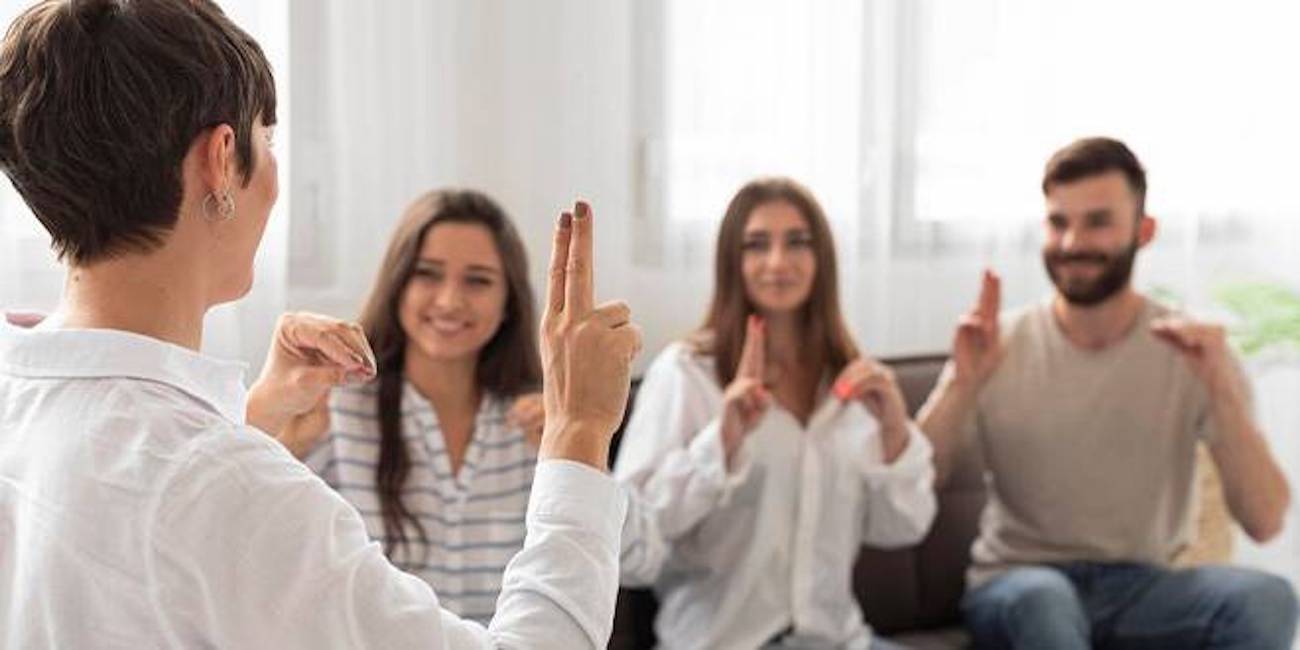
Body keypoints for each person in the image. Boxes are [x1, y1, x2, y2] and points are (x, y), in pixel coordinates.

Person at [0, 1, 641, 648]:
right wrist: (580, 430)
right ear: (221, 160)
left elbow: (135, 524)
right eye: (267, 139)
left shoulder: (19, 397)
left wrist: (254, 418)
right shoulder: (228, 487)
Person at [918, 137, 1299, 649]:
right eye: (1058, 223)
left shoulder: (1189, 351)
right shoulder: (997, 345)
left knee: (1266, 598)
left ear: (1144, 231)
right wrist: (961, 383)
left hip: (1145, 588)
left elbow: (1265, 520)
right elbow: (912, 485)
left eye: (1098, 222)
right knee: (1044, 603)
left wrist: (1220, 390)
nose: (1073, 242)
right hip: (1020, 583)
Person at [614, 177, 936, 650]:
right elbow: (627, 543)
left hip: (841, 641)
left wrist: (893, 432)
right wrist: (720, 445)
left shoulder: (849, 383)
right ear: (732, 261)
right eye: (757, 244)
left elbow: (901, 528)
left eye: (798, 243)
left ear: (820, 258)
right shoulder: (686, 374)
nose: (778, 262)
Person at [284, 189, 547, 624]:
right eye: (427, 274)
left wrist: (581, 450)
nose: (448, 300)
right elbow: (265, 546)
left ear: (508, 303)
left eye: (478, 280)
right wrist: (282, 440)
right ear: (398, 285)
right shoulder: (335, 408)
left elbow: (636, 557)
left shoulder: (539, 420)